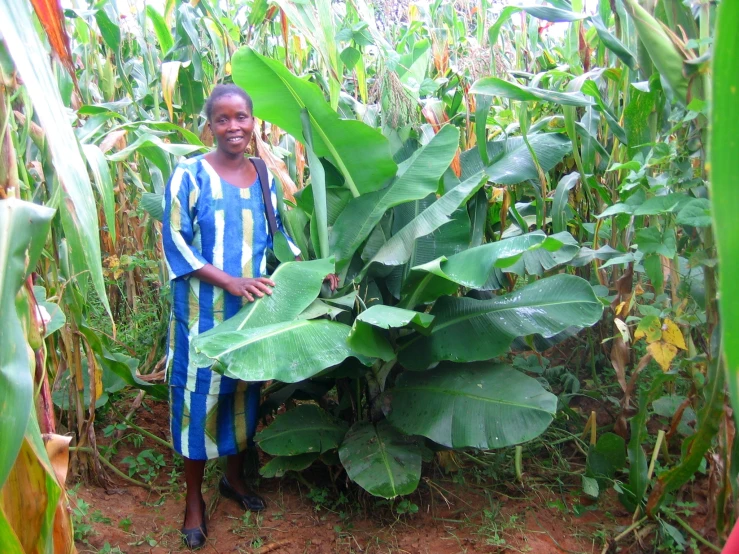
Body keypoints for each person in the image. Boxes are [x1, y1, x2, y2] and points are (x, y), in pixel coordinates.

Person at [163, 84, 327, 549]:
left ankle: (233, 479)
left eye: (242, 118)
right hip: (203, 311)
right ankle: (193, 499)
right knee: (199, 397)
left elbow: (279, 240)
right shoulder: (189, 175)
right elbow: (175, 242)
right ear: (210, 125)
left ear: (254, 122)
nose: (234, 127)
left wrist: (314, 273)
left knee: (244, 391)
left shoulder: (263, 175)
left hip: (255, 310)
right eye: (223, 119)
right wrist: (229, 281)